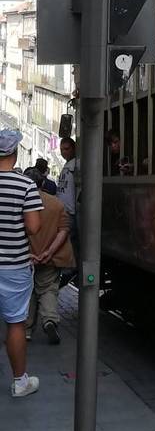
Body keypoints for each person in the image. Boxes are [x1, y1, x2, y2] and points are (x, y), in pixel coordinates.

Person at [0, 127, 43, 398]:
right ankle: (20, 382)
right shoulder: (25, 185)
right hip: (15, 265)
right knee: (16, 323)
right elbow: (34, 228)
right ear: (14, 154)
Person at [26, 182, 74, 345]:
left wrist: (27, 254)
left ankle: (26, 329)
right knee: (48, 289)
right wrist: (49, 252)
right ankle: (49, 320)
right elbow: (64, 229)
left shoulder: (21, 202)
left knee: (28, 291)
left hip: (26, 256)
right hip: (50, 257)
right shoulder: (56, 203)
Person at [56, 135, 80, 268]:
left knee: (69, 242)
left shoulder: (76, 164)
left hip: (70, 211)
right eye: (61, 149)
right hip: (64, 211)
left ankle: (71, 269)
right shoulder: (68, 164)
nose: (64, 152)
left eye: (66, 149)